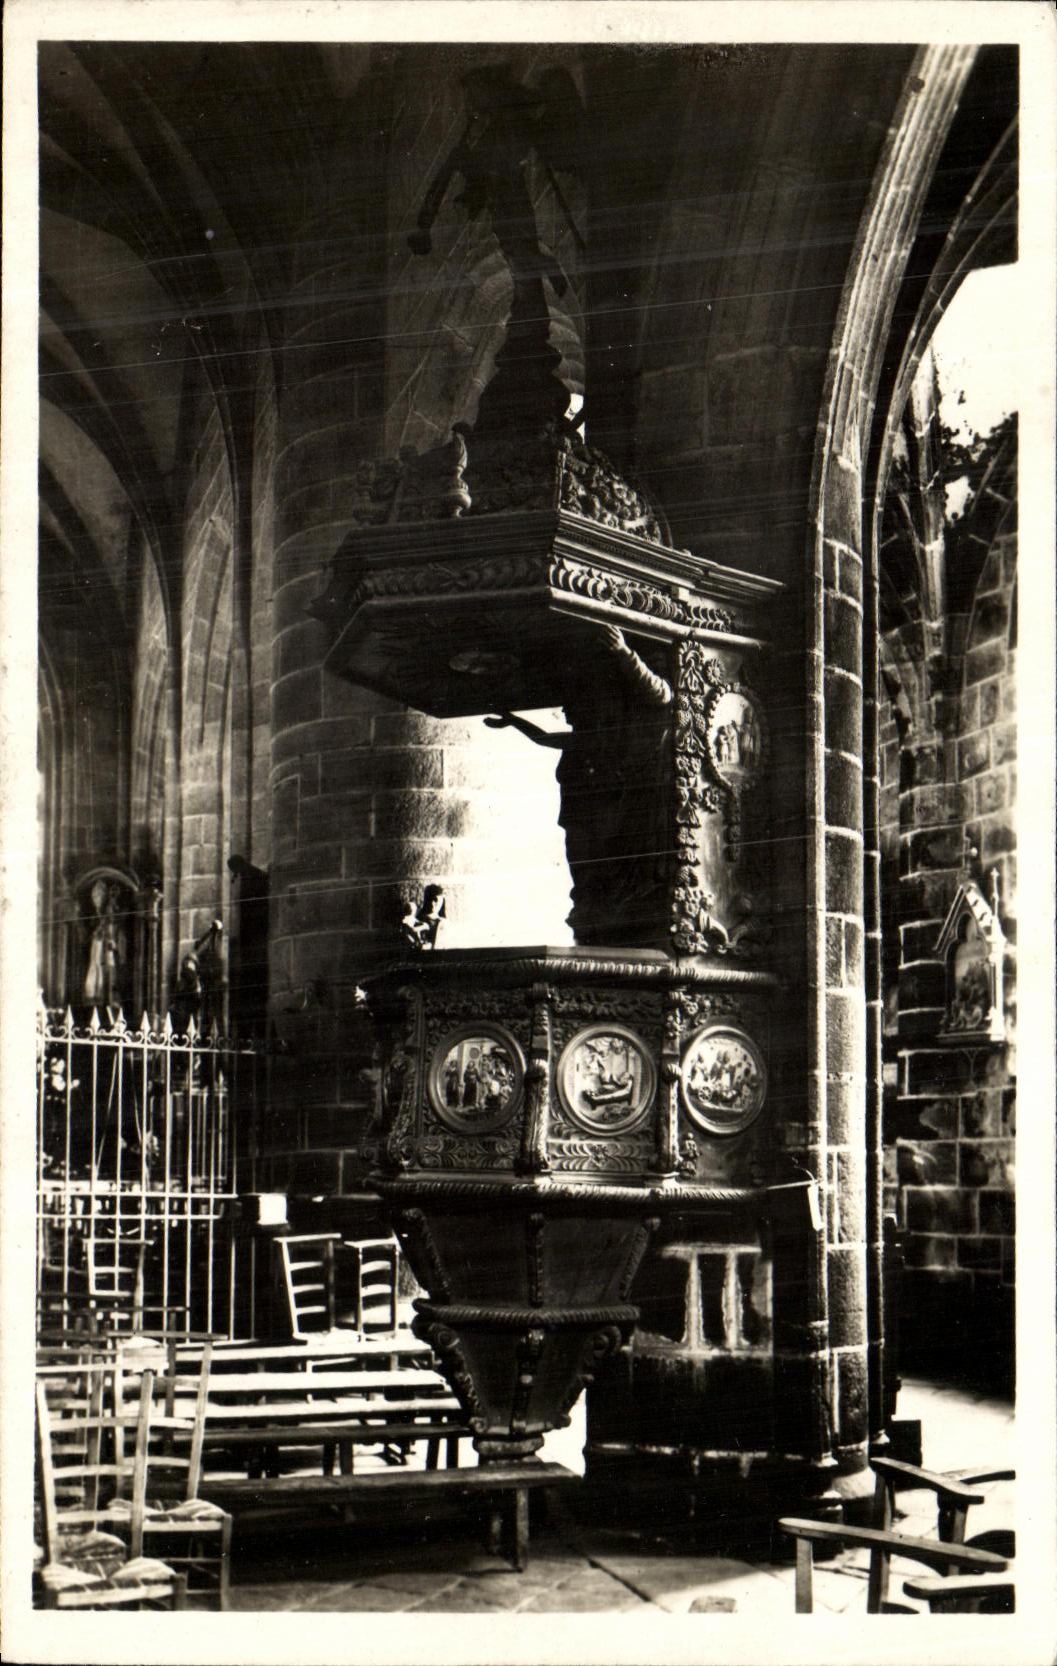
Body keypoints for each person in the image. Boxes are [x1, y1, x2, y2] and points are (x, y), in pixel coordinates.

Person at [485, 624, 673, 944]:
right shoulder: (583, 739)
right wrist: (514, 720)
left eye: (574, 708)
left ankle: (601, 907)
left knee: (607, 862)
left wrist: (623, 652)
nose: (567, 712)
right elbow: (545, 737)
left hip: (605, 811)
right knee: (581, 865)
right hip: (578, 814)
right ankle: (588, 905)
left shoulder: (615, 734)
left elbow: (661, 693)